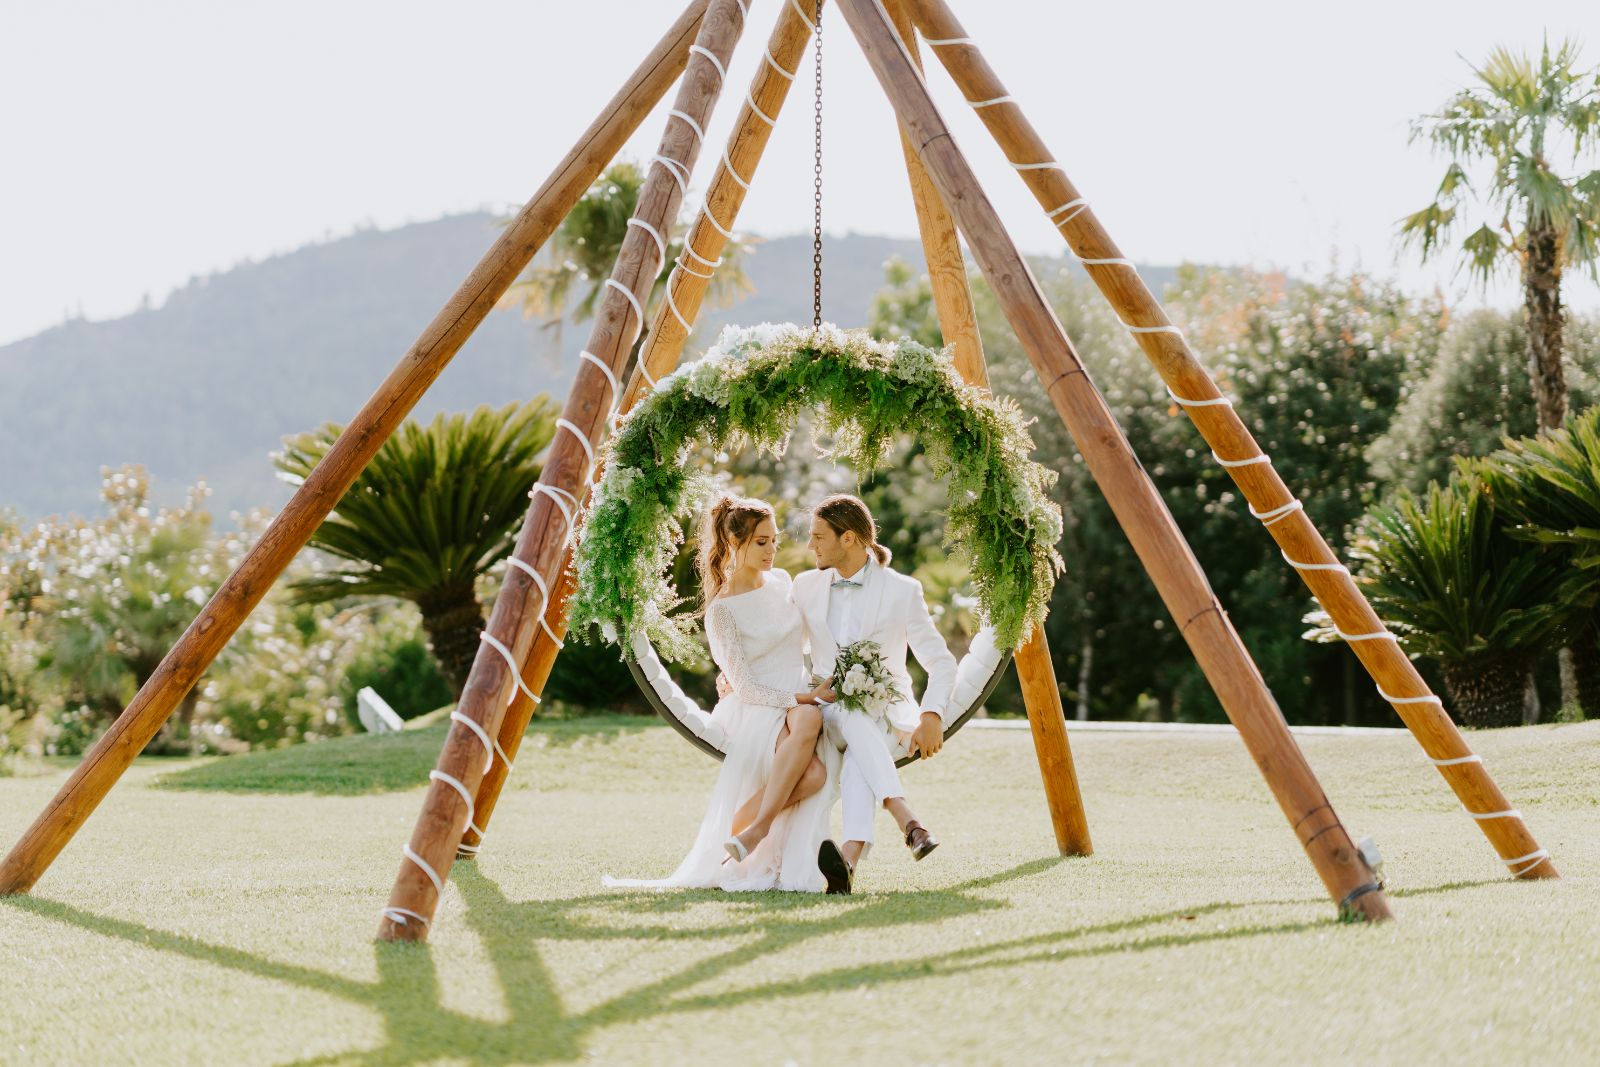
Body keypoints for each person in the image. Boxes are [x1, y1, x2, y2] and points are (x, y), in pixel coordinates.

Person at [604, 494, 839, 892]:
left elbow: (798, 641)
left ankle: (753, 828)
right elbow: (745, 686)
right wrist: (804, 697)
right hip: (757, 705)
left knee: (815, 745)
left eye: (774, 540)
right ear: (735, 544)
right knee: (814, 768)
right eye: (761, 542)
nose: (771, 550)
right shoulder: (723, 609)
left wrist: (816, 684)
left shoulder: (782, 581)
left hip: (793, 692)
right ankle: (752, 829)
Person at [796, 493, 957, 895]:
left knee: (859, 759)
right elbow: (781, 645)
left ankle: (847, 863)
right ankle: (907, 819)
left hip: (889, 712)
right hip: (829, 709)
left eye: (818, 536)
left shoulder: (903, 590)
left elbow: (942, 661)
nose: (810, 545)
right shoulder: (804, 586)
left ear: (847, 538)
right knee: (850, 715)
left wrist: (931, 715)